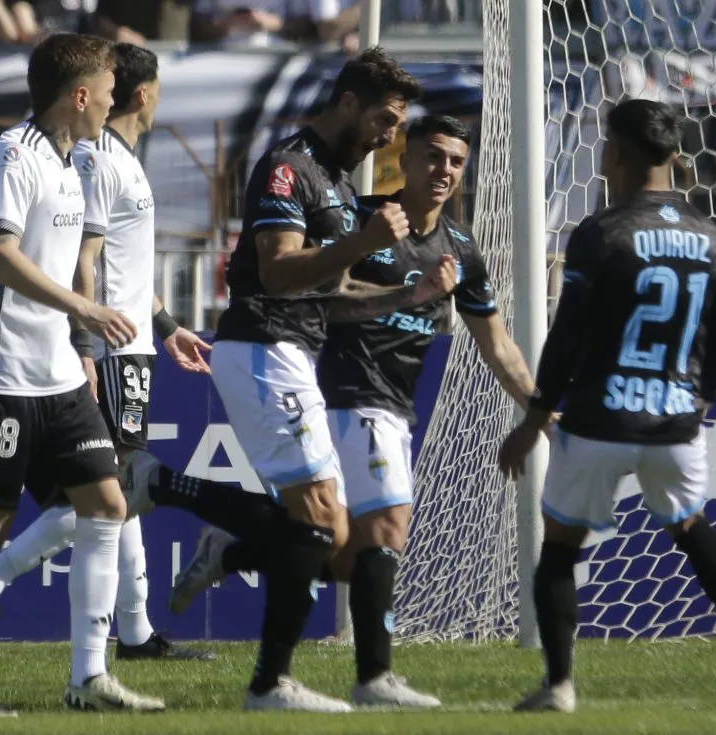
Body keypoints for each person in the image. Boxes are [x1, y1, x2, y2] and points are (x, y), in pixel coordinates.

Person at [170, 114, 550, 708]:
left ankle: (236, 549)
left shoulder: (462, 251)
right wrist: (395, 288)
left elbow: (497, 343)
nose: (444, 170)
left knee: (348, 552)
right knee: (386, 530)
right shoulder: (364, 223)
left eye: (455, 160)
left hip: (396, 407)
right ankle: (371, 679)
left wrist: (538, 406)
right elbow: (323, 292)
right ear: (406, 157)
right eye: (432, 156)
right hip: (347, 396)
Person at [120, 48, 458, 712]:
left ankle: (206, 535)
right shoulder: (289, 168)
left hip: (292, 353)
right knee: (320, 528)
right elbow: (277, 274)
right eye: (386, 120)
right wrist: (361, 242)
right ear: (348, 103)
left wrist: (403, 295)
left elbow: (328, 292)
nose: (391, 136)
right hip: (260, 350)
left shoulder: (332, 178)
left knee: (329, 539)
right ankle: (268, 680)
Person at [496, 98, 716, 714]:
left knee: (560, 546)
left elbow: (568, 336)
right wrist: (702, 397)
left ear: (614, 152)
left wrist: (534, 418)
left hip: (599, 417)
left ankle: (559, 686)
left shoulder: (602, 232)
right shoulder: (709, 234)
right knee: (689, 527)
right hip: (674, 419)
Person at [0, 32, 163, 715]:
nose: (117, 101)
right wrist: (82, 308)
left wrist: (83, 350)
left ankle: (89, 678)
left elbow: (74, 263)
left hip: (61, 377)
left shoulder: (74, 165)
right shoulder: (15, 154)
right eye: (108, 88)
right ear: (81, 94)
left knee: (107, 503)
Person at [0, 43, 214, 663]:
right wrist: (87, 341)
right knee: (110, 490)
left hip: (132, 340)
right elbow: (86, 261)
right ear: (141, 92)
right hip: (109, 347)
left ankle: (132, 632)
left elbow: (126, 265)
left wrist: (164, 324)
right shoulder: (96, 160)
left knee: (117, 492)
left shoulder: (123, 159)